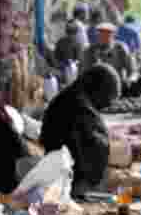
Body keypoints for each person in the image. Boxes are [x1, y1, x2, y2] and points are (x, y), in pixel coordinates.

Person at [40, 63, 120, 198]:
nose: (106, 106)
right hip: (68, 179)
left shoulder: (75, 95)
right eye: (108, 99)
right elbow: (91, 148)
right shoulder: (77, 105)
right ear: (100, 89)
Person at [81, 23, 141, 97]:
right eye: (101, 34)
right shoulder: (90, 51)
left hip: (119, 86)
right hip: (98, 88)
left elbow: (133, 71)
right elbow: (84, 74)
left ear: (114, 35)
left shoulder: (120, 48)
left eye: (108, 34)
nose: (104, 37)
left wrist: (130, 80)